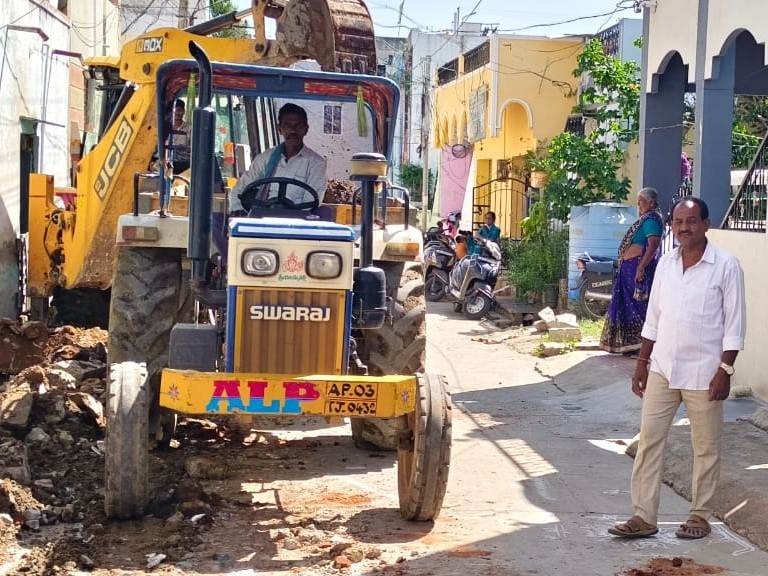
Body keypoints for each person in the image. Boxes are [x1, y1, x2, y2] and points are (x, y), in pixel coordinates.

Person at [608, 197, 746, 541]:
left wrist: (725, 370)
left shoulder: (726, 266)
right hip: (662, 368)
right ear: (672, 226)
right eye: (679, 222)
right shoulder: (667, 264)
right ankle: (643, 516)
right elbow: (654, 319)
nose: (684, 227)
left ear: (706, 224)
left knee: (706, 447)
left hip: (705, 373)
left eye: (692, 221)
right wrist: (642, 363)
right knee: (649, 441)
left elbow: (735, 325)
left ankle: (700, 515)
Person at [229, 103, 327, 214]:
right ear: (279, 129)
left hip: (297, 220)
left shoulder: (316, 163)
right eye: (288, 126)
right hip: (263, 217)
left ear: (305, 129)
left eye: (298, 126)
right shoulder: (265, 158)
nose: (293, 131)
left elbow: (310, 203)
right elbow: (240, 188)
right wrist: (238, 210)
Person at [600, 188, 664, 353]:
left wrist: (641, 267)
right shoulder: (646, 219)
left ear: (651, 202)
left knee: (638, 305)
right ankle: (631, 345)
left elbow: (653, 245)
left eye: (641, 202)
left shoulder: (651, 220)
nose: (638, 205)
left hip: (638, 270)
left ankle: (642, 345)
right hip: (630, 269)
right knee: (630, 305)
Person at [166, 99, 190, 173]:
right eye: (175, 110)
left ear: (184, 112)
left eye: (179, 110)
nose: (177, 113)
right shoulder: (164, 127)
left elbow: (194, 149)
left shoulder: (190, 129)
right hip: (165, 161)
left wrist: (183, 148)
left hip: (183, 163)